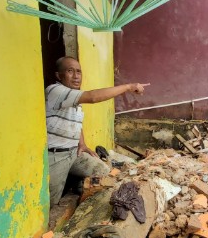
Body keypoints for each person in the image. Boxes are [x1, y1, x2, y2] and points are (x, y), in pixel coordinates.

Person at [45, 56, 148, 205]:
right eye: (70, 71)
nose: (76, 76)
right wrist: (128, 87)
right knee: (51, 201)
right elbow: (93, 97)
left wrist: (83, 144)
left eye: (79, 72)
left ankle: (81, 192)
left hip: (74, 152)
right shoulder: (55, 91)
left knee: (102, 171)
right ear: (58, 75)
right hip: (56, 155)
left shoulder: (74, 98)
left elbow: (76, 123)